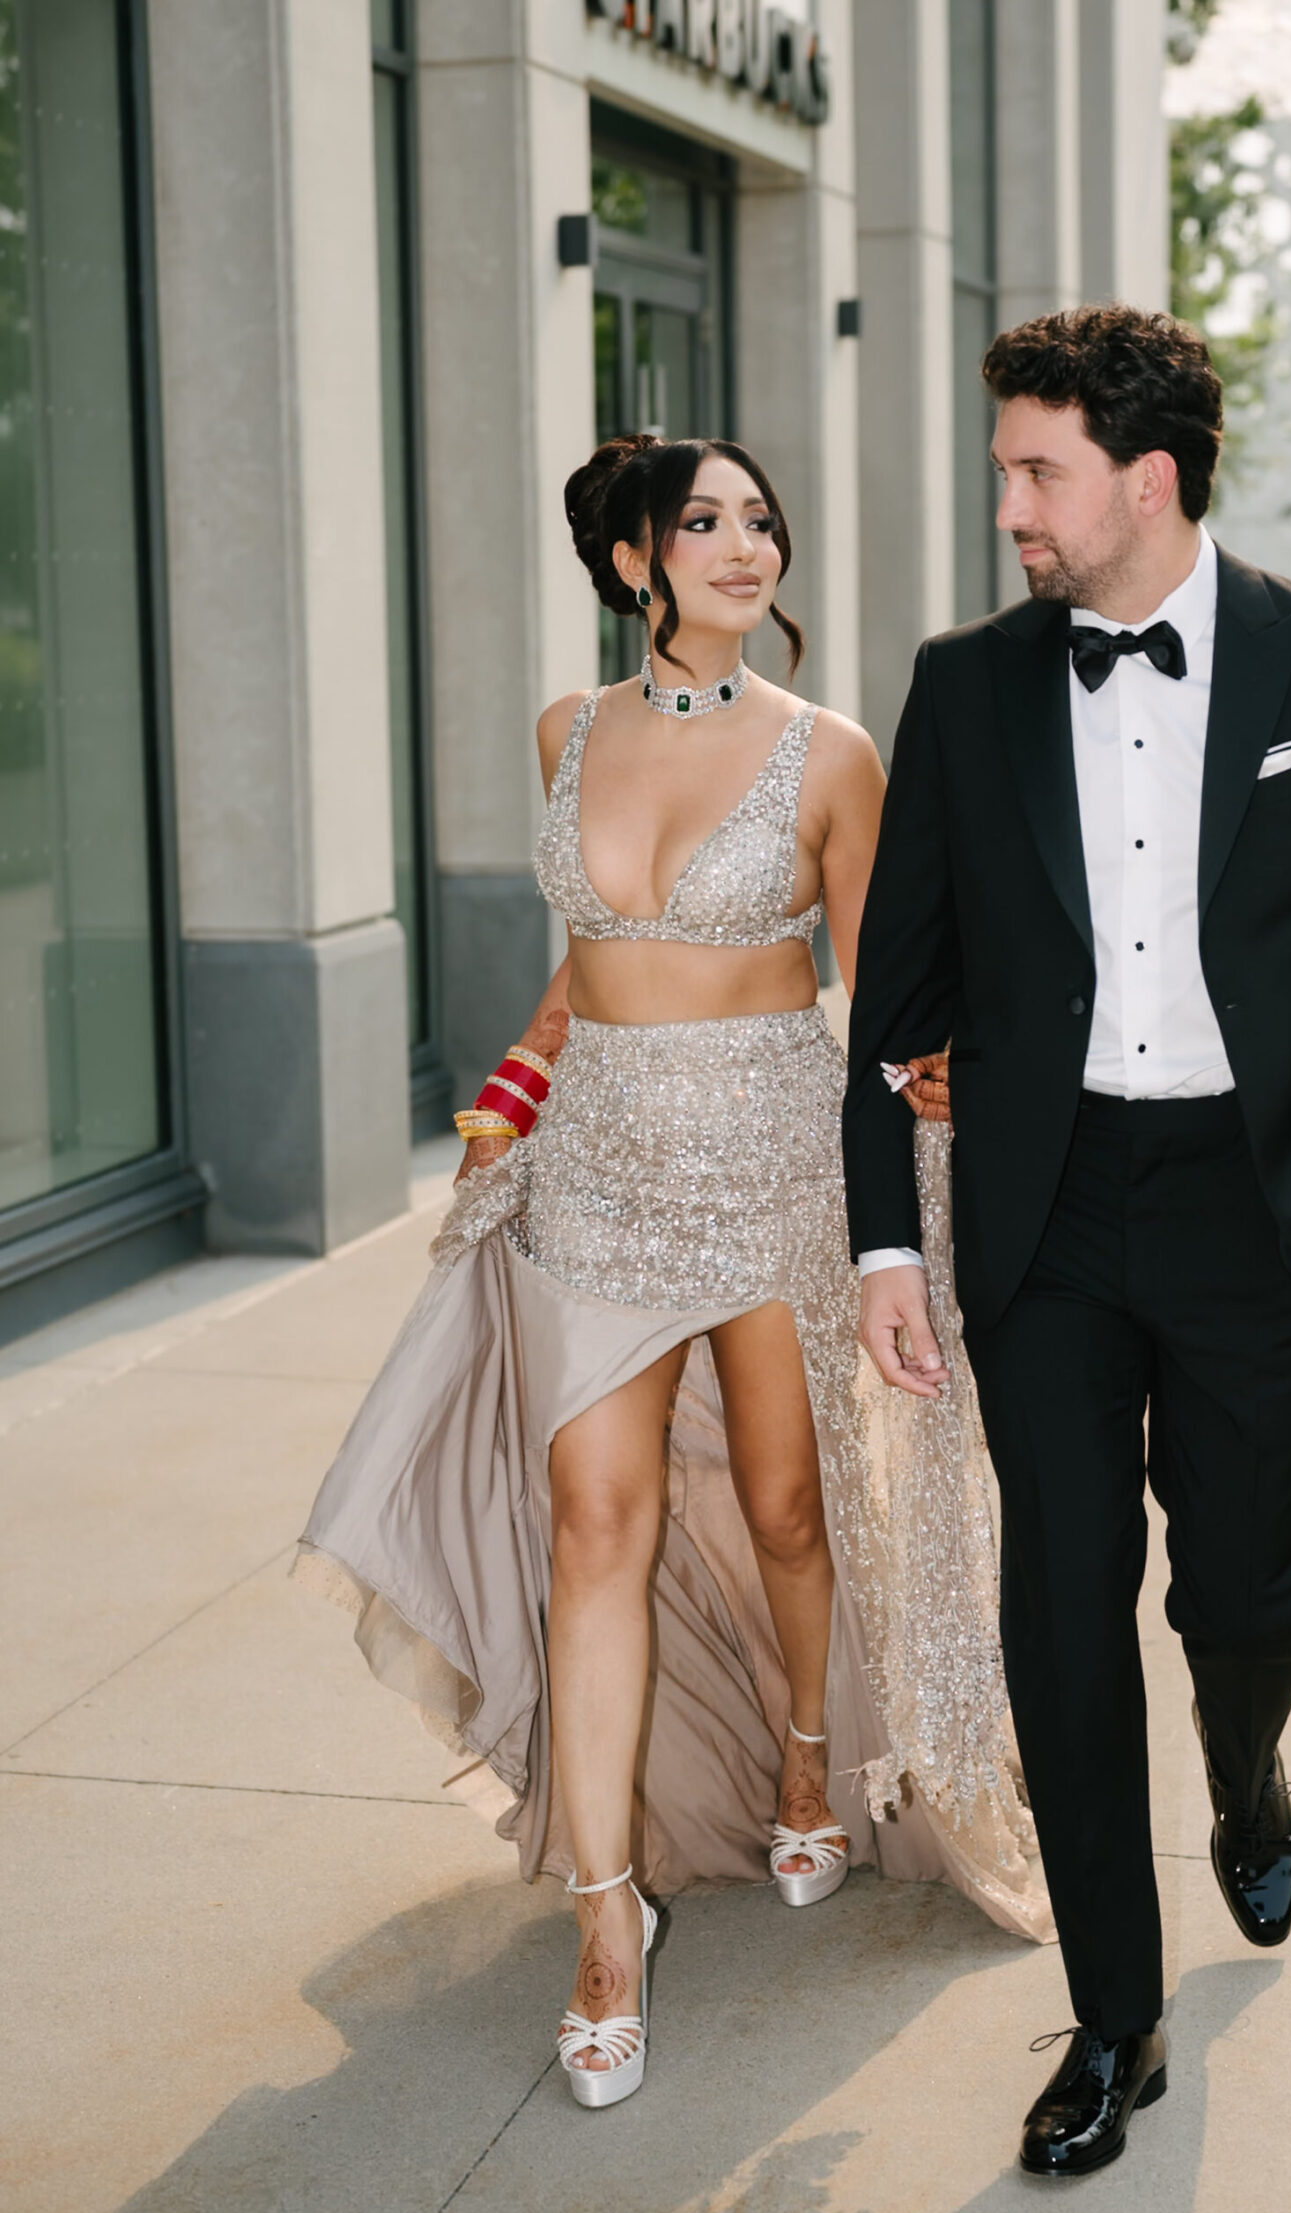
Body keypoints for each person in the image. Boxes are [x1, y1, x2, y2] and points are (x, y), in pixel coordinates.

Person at [297, 433, 1051, 2115]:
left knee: (787, 1509)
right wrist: (514, 1086)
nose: (744, 547)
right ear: (636, 560)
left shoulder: (831, 752)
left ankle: (807, 1756)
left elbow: (887, 984)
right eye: (704, 523)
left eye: (760, 522)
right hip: (599, 1178)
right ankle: (603, 1920)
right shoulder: (566, 730)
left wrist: (952, 1081)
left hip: (776, 1165)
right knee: (596, 1524)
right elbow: (586, 961)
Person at [844, 305, 1291, 2178]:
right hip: (1044, 1216)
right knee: (1061, 1607)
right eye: (1005, 471)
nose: (1010, 508)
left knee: (1249, 1593)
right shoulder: (967, 684)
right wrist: (888, 1245)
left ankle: (1246, 1762)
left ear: (1147, 478)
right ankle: (1114, 2018)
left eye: (1036, 472)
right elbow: (896, 1004)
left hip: (1258, 1204)